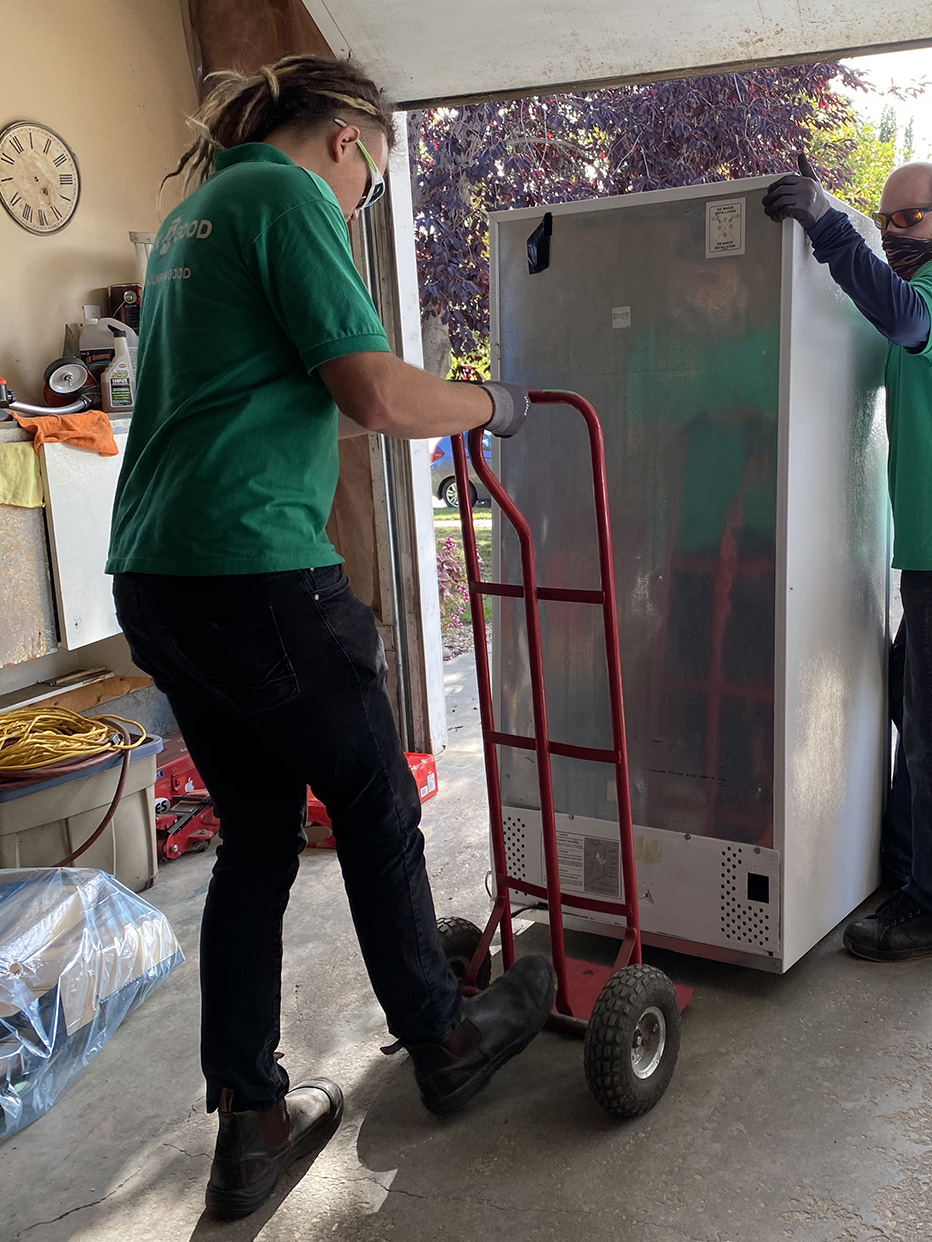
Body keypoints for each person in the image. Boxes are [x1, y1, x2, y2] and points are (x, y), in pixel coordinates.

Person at [107, 56, 556, 1219]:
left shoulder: (193, 213)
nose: (363, 204)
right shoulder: (289, 197)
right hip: (253, 568)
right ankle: (445, 1039)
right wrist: (493, 404)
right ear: (350, 142)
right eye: (373, 183)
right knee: (374, 801)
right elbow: (378, 397)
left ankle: (251, 1120)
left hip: (160, 575)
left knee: (257, 838)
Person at [763, 157, 932, 964]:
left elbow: (904, 319)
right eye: (885, 224)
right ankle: (914, 871)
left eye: (908, 221)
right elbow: (868, 338)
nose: (895, 236)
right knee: (918, 702)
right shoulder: (930, 288)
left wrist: (832, 231)